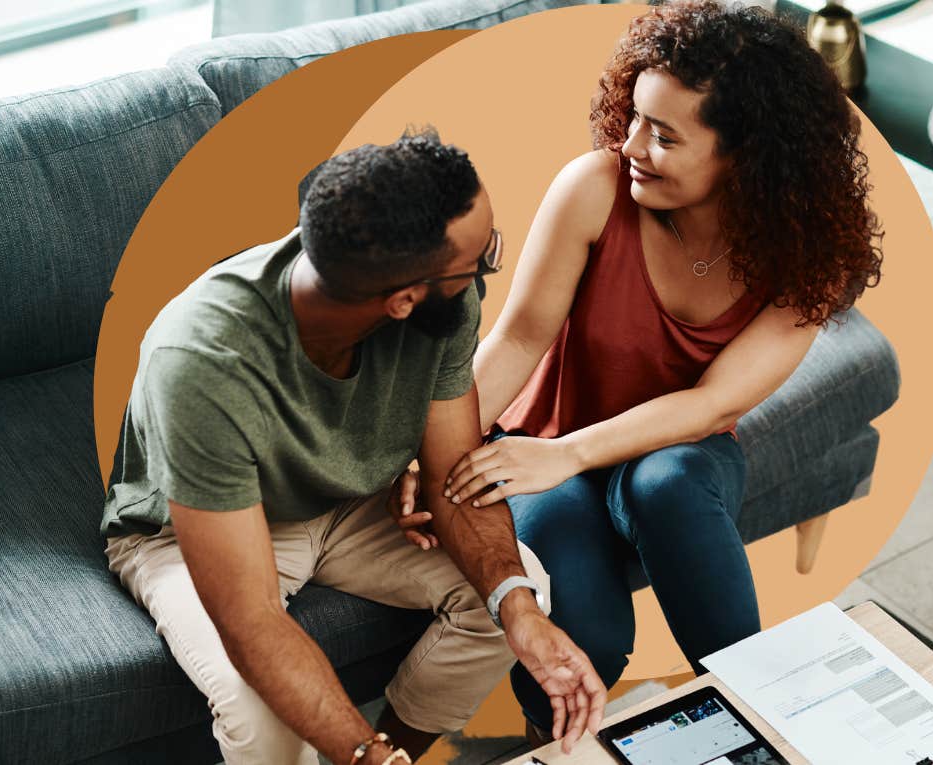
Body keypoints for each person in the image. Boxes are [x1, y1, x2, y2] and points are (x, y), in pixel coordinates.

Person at [436, 0, 883, 740]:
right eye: (636, 116)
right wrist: (444, 450)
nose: (632, 143)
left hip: (675, 452)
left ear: (747, 156)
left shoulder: (808, 259)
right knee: (593, 638)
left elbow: (712, 406)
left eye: (665, 135)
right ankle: (556, 751)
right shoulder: (594, 188)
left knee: (664, 481)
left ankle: (762, 723)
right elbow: (515, 340)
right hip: (550, 446)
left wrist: (566, 454)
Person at [101, 128, 606, 765]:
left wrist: (521, 616)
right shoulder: (202, 362)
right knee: (261, 718)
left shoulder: (441, 304)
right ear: (401, 301)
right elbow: (252, 621)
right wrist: (360, 750)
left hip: (349, 502)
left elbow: (454, 469)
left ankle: (401, 751)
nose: (484, 272)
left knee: (518, 589)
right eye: (479, 261)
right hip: (193, 529)